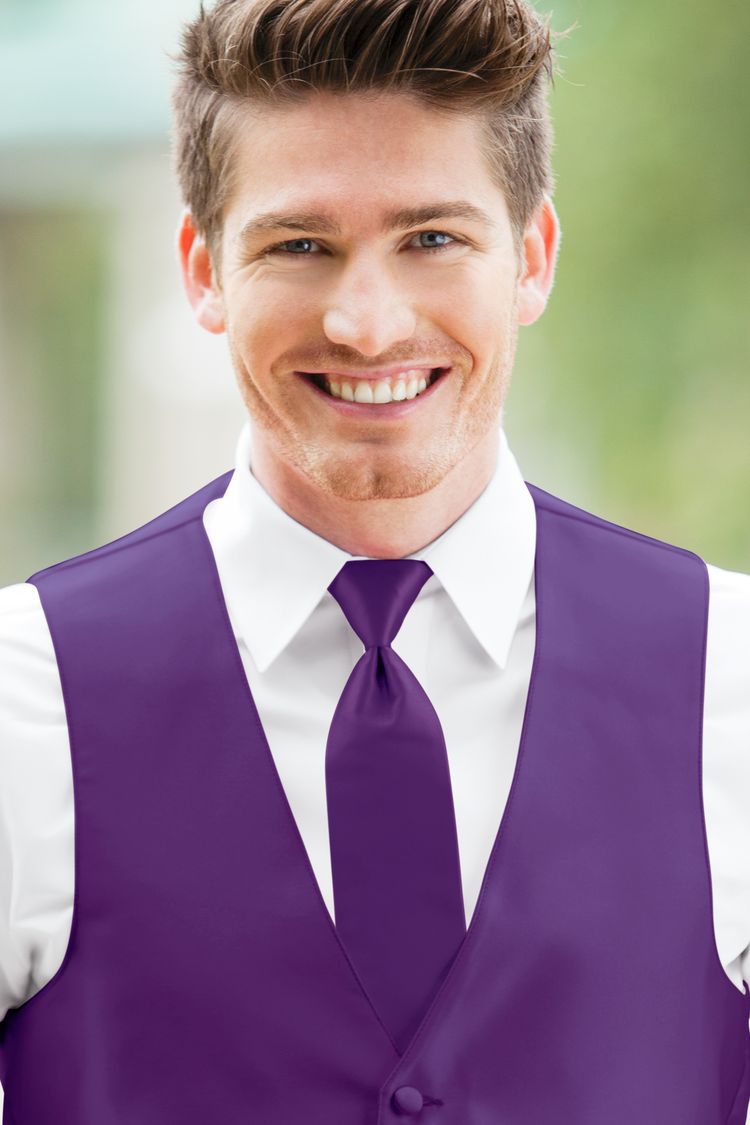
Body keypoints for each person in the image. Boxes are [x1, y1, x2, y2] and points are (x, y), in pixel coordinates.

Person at [0, 0, 748, 1121]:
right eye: (300, 245)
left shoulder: (730, 676)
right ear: (203, 269)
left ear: (532, 258)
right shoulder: (24, 699)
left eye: (432, 239)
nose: (366, 322)